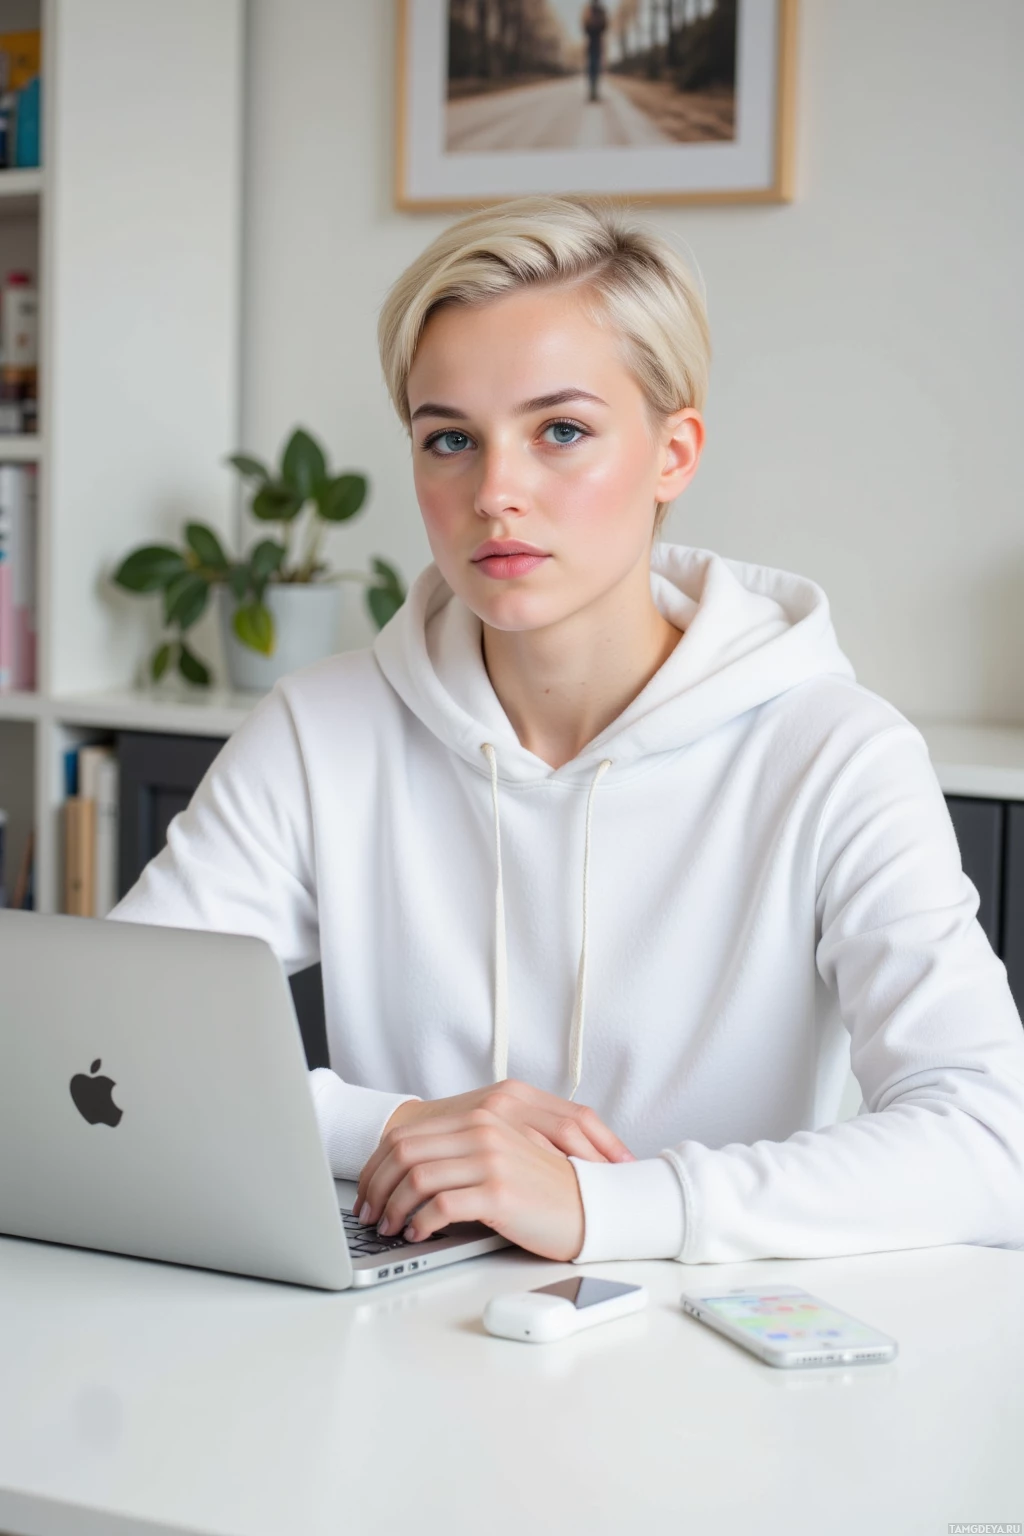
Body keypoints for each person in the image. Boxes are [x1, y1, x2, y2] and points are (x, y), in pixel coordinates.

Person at [111, 196, 1024, 1267]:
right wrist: (394, 1127)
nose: (495, 492)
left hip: (723, 1360)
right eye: (449, 438)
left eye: (561, 432)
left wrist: (607, 1205)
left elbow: (988, 1145)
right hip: (404, 1340)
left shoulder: (835, 753)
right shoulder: (323, 730)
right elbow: (116, 1049)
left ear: (673, 453)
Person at [581, 2, 608, 103]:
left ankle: (594, 91)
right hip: (592, 43)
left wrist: (594, 27)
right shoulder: (589, 10)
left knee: (595, 68)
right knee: (592, 68)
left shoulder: (599, 10)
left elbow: (605, 25)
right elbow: (584, 25)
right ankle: (592, 92)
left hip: (596, 43)